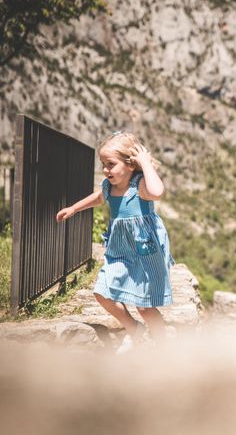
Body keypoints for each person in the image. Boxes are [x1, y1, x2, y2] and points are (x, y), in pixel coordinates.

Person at [56, 132, 173, 353]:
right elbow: (98, 198)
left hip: (145, 250)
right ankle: (134, 329)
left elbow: (158, 192)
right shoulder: (109, 187)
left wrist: (146, 164)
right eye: (103, 164)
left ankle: (163, 348)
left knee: (146, 307)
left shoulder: (140, 186)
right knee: (102, 293)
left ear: (130, 165)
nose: (105, 169)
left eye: (111, 164)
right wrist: (74, 208)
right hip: (120, 250)